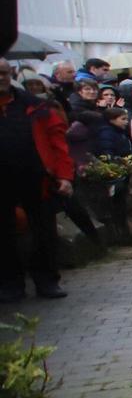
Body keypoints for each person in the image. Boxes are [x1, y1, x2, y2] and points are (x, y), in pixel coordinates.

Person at [0, 60, 72, 301]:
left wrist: (64, 176)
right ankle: (10, 284)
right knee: (4, 236)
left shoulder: (35, 106)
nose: (0, 77)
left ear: (11, 74)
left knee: (44, 233)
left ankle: (47, 281)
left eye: (3, 73)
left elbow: (58, 142)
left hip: (37, 179)